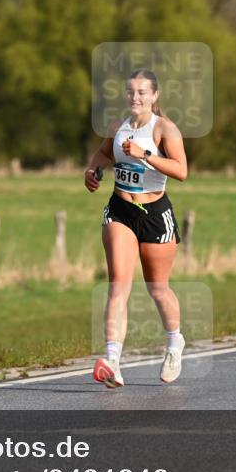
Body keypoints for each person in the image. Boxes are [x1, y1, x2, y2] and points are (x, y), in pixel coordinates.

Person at [84, 69, 188, 389]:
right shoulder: (118, 127)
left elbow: (181, 170)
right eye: (131, 92)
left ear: (154, 96)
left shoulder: (165, 129)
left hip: (155, 213)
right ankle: (112, 360)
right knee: (119, 285)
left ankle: (174, 344)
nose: (135, 97)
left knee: (157, 288)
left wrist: (145, 155)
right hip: (120, 210)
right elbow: (103, 153)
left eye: (142, 92)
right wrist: (93, 169)